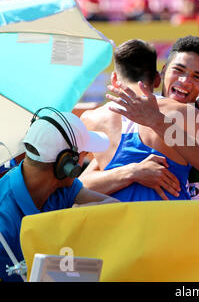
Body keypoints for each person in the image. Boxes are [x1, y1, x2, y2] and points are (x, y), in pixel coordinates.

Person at [80, 37, 199, 202]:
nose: (185, 81)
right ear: (162, 73)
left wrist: (159, 121)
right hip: (156, 221)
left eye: (197, 77)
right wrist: (132, 171)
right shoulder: (131, 122)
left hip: (188, 222)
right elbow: (81, 185)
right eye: (178, 70)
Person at [0, 108, 119, 282]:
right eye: (84, 154)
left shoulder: (63, 186)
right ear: (67, 165)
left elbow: (115, 208)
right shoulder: (4, 220)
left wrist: (79, 218)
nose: (86, 158)